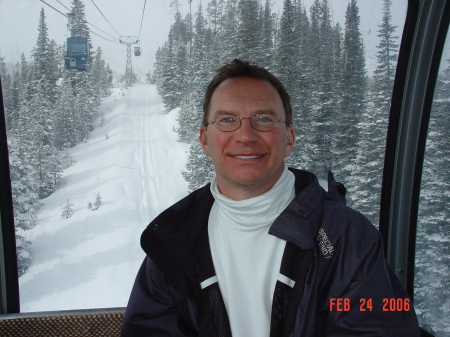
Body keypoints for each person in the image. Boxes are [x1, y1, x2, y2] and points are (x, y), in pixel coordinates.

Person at [120, 59, 420, 336]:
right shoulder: (173, 239)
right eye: (227, 120)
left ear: (288, 138)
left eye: (264, 119)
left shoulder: (346, 239)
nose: (246, 135)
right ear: (204, 140)